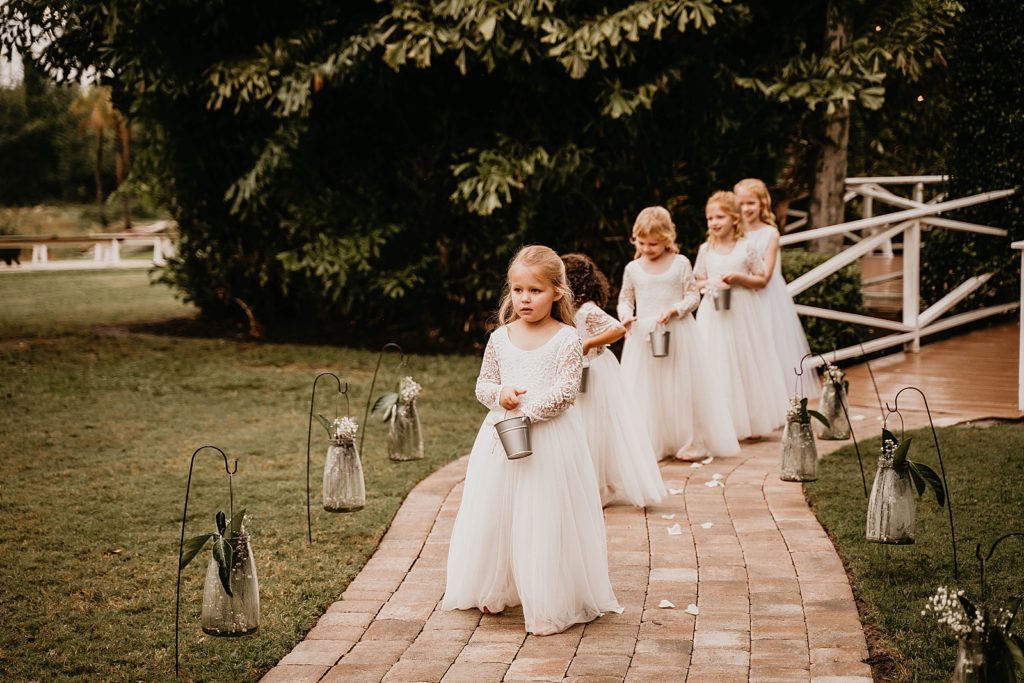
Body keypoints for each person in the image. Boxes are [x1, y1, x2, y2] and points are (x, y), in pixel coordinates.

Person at [442, 245, 622, 636]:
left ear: (557, 292)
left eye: (535, 290)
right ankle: (498, 585)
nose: (524, 298)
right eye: (518, 290)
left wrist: (529, 411)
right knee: (498, 512)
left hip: (551, 442)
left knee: (543, 515)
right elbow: (483, 383)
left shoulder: (567, 339)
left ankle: (550, 598)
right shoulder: (500, 338)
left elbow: (566, 390)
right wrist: (500, 394)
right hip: (503, 440)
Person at [617, 207, 741, 461]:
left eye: (654, 244)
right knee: (647, 389)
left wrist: (675, 310)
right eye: (642, 243)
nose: (647, 248)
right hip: (645, 334)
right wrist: (626, 317)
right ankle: (653, 441)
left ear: (666, 239)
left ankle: (690, 441)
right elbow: (625, 300)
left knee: (682, 387)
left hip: (678, 332)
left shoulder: (680, 263)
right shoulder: (633, 268)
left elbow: (693, 296)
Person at [562, 252, 666, 507]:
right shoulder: (565, 310)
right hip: (578, 371)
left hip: (596, 371)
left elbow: (617, 329)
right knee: (580, 426)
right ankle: (586, 483)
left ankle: (599, 486)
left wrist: (589, 344)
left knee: (595, 427)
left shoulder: (586, 310)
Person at [694, 191, 789, 439]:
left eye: (720, 217)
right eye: (710, 218)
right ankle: (720, 423)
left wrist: (738, 279)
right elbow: (696, 281)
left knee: (744, 363)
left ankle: (751, 422)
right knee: (717, 362)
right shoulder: (705, 249)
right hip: (713, 314)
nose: (714, 223)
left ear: (735, 219)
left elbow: (761, 280)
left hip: (743, 313)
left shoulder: (746, 248)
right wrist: (711, 284)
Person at [734, 178, 820, 400]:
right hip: (741, 297)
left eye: (751, 203)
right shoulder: (735, 233)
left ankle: (774, 398)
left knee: (769, 346)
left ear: (762, 203)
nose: (746, 209)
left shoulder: (770, 233)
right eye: (741, 204)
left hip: (766, 298)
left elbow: (766, 273)